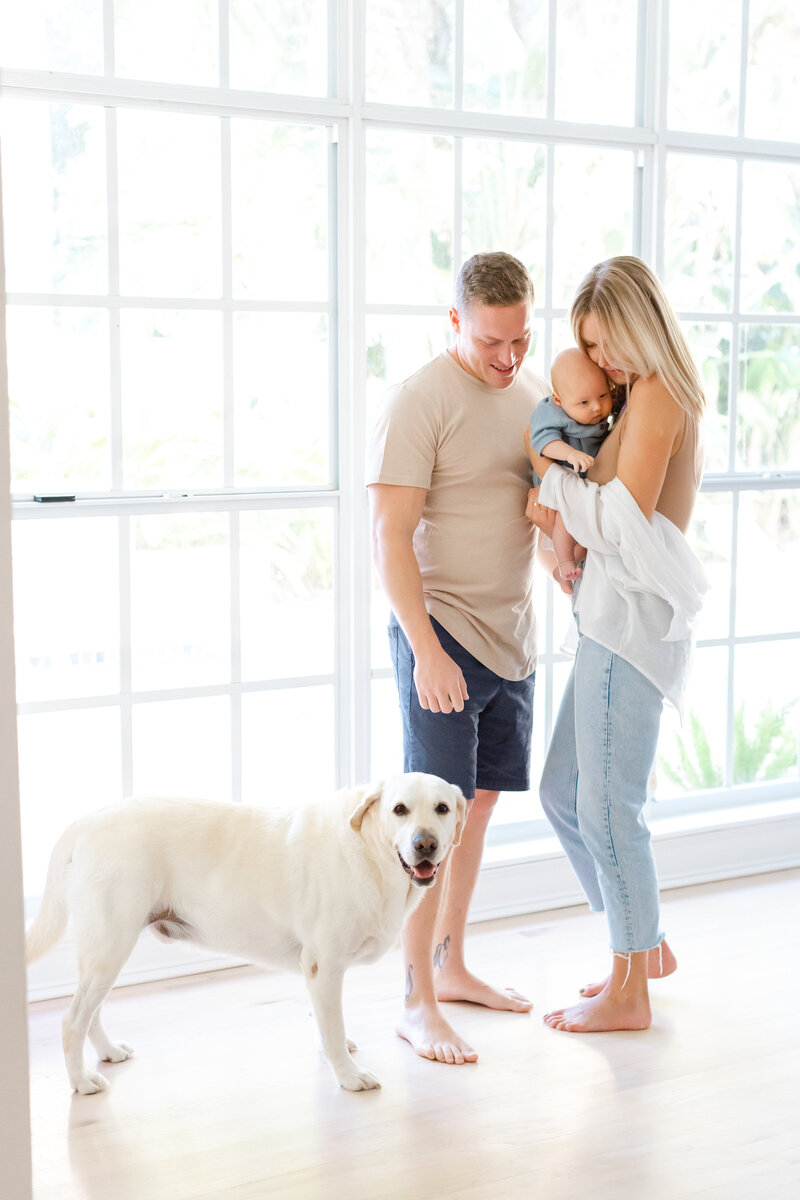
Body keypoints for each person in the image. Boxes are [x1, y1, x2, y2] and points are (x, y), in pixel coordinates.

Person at [366, 251, 550, 1065]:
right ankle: (415, 1003)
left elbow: (539, 509)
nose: (507, 357)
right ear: (454, 323)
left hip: (514, 641)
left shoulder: (537, 391)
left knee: (475, 814)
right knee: (426, 830)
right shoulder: (418, 400)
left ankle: (454, 967)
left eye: (519, 339)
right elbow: (389, 536)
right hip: (441, 638)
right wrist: (424, 650)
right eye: (490, 342)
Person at [526, 255, 707, 1034]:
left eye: (606, 344)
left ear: (641, 324)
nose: (599, 364)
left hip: (628, 627)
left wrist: (551, 483)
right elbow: (600, 499)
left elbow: (619, 525)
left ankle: (630, 990)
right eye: (590, 350)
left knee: (607, 807)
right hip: (608, 619)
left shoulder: (661, 396)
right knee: (564, 793)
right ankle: (642, 941)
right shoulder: (635, 401)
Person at [528, 347, 615, 582]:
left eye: (603, 396)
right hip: (559, 479)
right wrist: (570, 454)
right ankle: (564, 563)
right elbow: (541, 441)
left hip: (581, 482)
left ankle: (571, 565)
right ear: (558, 399)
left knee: (583, 527)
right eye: (584, 402)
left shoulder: (596, 410)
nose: (597, 407)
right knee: (566, 521)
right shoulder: (550, 411)